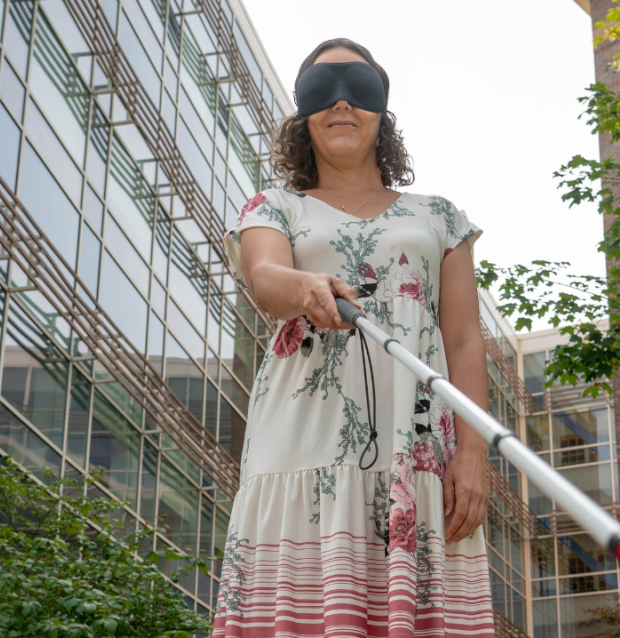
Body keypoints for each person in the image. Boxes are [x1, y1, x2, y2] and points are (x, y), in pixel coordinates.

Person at [214, 38, 494, 637]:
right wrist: (306, 287)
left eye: (359, 87)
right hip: (301, 445)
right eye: (322, 89)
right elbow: (264, 277)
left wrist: (473, 453)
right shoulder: (273, 206)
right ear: (302, 114)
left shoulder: (440, 216)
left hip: (416, 445)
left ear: (382, 111)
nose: (341, 101)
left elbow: (466, 339)